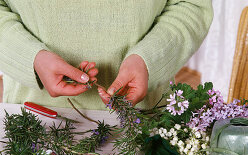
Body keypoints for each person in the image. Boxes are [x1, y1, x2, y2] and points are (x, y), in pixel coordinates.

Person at [0, 0, 213, 110]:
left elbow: (190, 5)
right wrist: (30, 56)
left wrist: (150, 59)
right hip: (33, 120)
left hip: (144, 124)